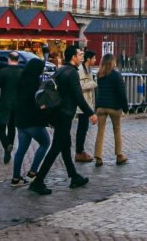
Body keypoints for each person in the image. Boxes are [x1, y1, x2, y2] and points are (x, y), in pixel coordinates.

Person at [29, 46, 97, 195]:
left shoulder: (60, 70)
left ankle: (73, 176)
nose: (82, 57)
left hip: (57, 113)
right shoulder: (72, 73)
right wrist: (91, 113)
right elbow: (78, 97)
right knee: (56, 148)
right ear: (73, 57)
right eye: (80, 54)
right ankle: (38, 181)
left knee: (65, 146)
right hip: (64, 115)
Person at [11, 55, 51, 186]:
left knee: (21, 149)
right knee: (45, 142)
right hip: (32, 121)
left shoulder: (20, 81)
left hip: (20, 120)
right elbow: (38, 103)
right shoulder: (36, 84)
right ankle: (33, 172)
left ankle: (16, 178)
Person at [94, 53, 130, 166]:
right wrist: (125, 107)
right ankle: (119, 155)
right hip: (114, 107)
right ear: (112, 62)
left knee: (100, 132)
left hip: (101, 107)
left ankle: (98, 158)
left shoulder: (99, 75)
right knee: (117, 130)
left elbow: (98, 92)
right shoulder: (116, 75)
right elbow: (122, 93)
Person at [0, 51, 22, 164]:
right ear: (18, 60)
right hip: (17, 105)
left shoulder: (3, 72)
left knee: (1, 128)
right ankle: (8, 151)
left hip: (4, 103)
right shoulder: (22, 72)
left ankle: (6, 146)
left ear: (8, 59)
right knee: (12, 128)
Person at [74, 49, 98, 163]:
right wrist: (93, 83)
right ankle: (79, 152)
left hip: (86, 104)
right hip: (82, 104)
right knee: (82, 129)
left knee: (84, 128)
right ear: (89, 59)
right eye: (93, 58)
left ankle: (80, 150)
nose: (95, 60)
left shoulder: (87, 69)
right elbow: (80, 86)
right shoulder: (80, 70)